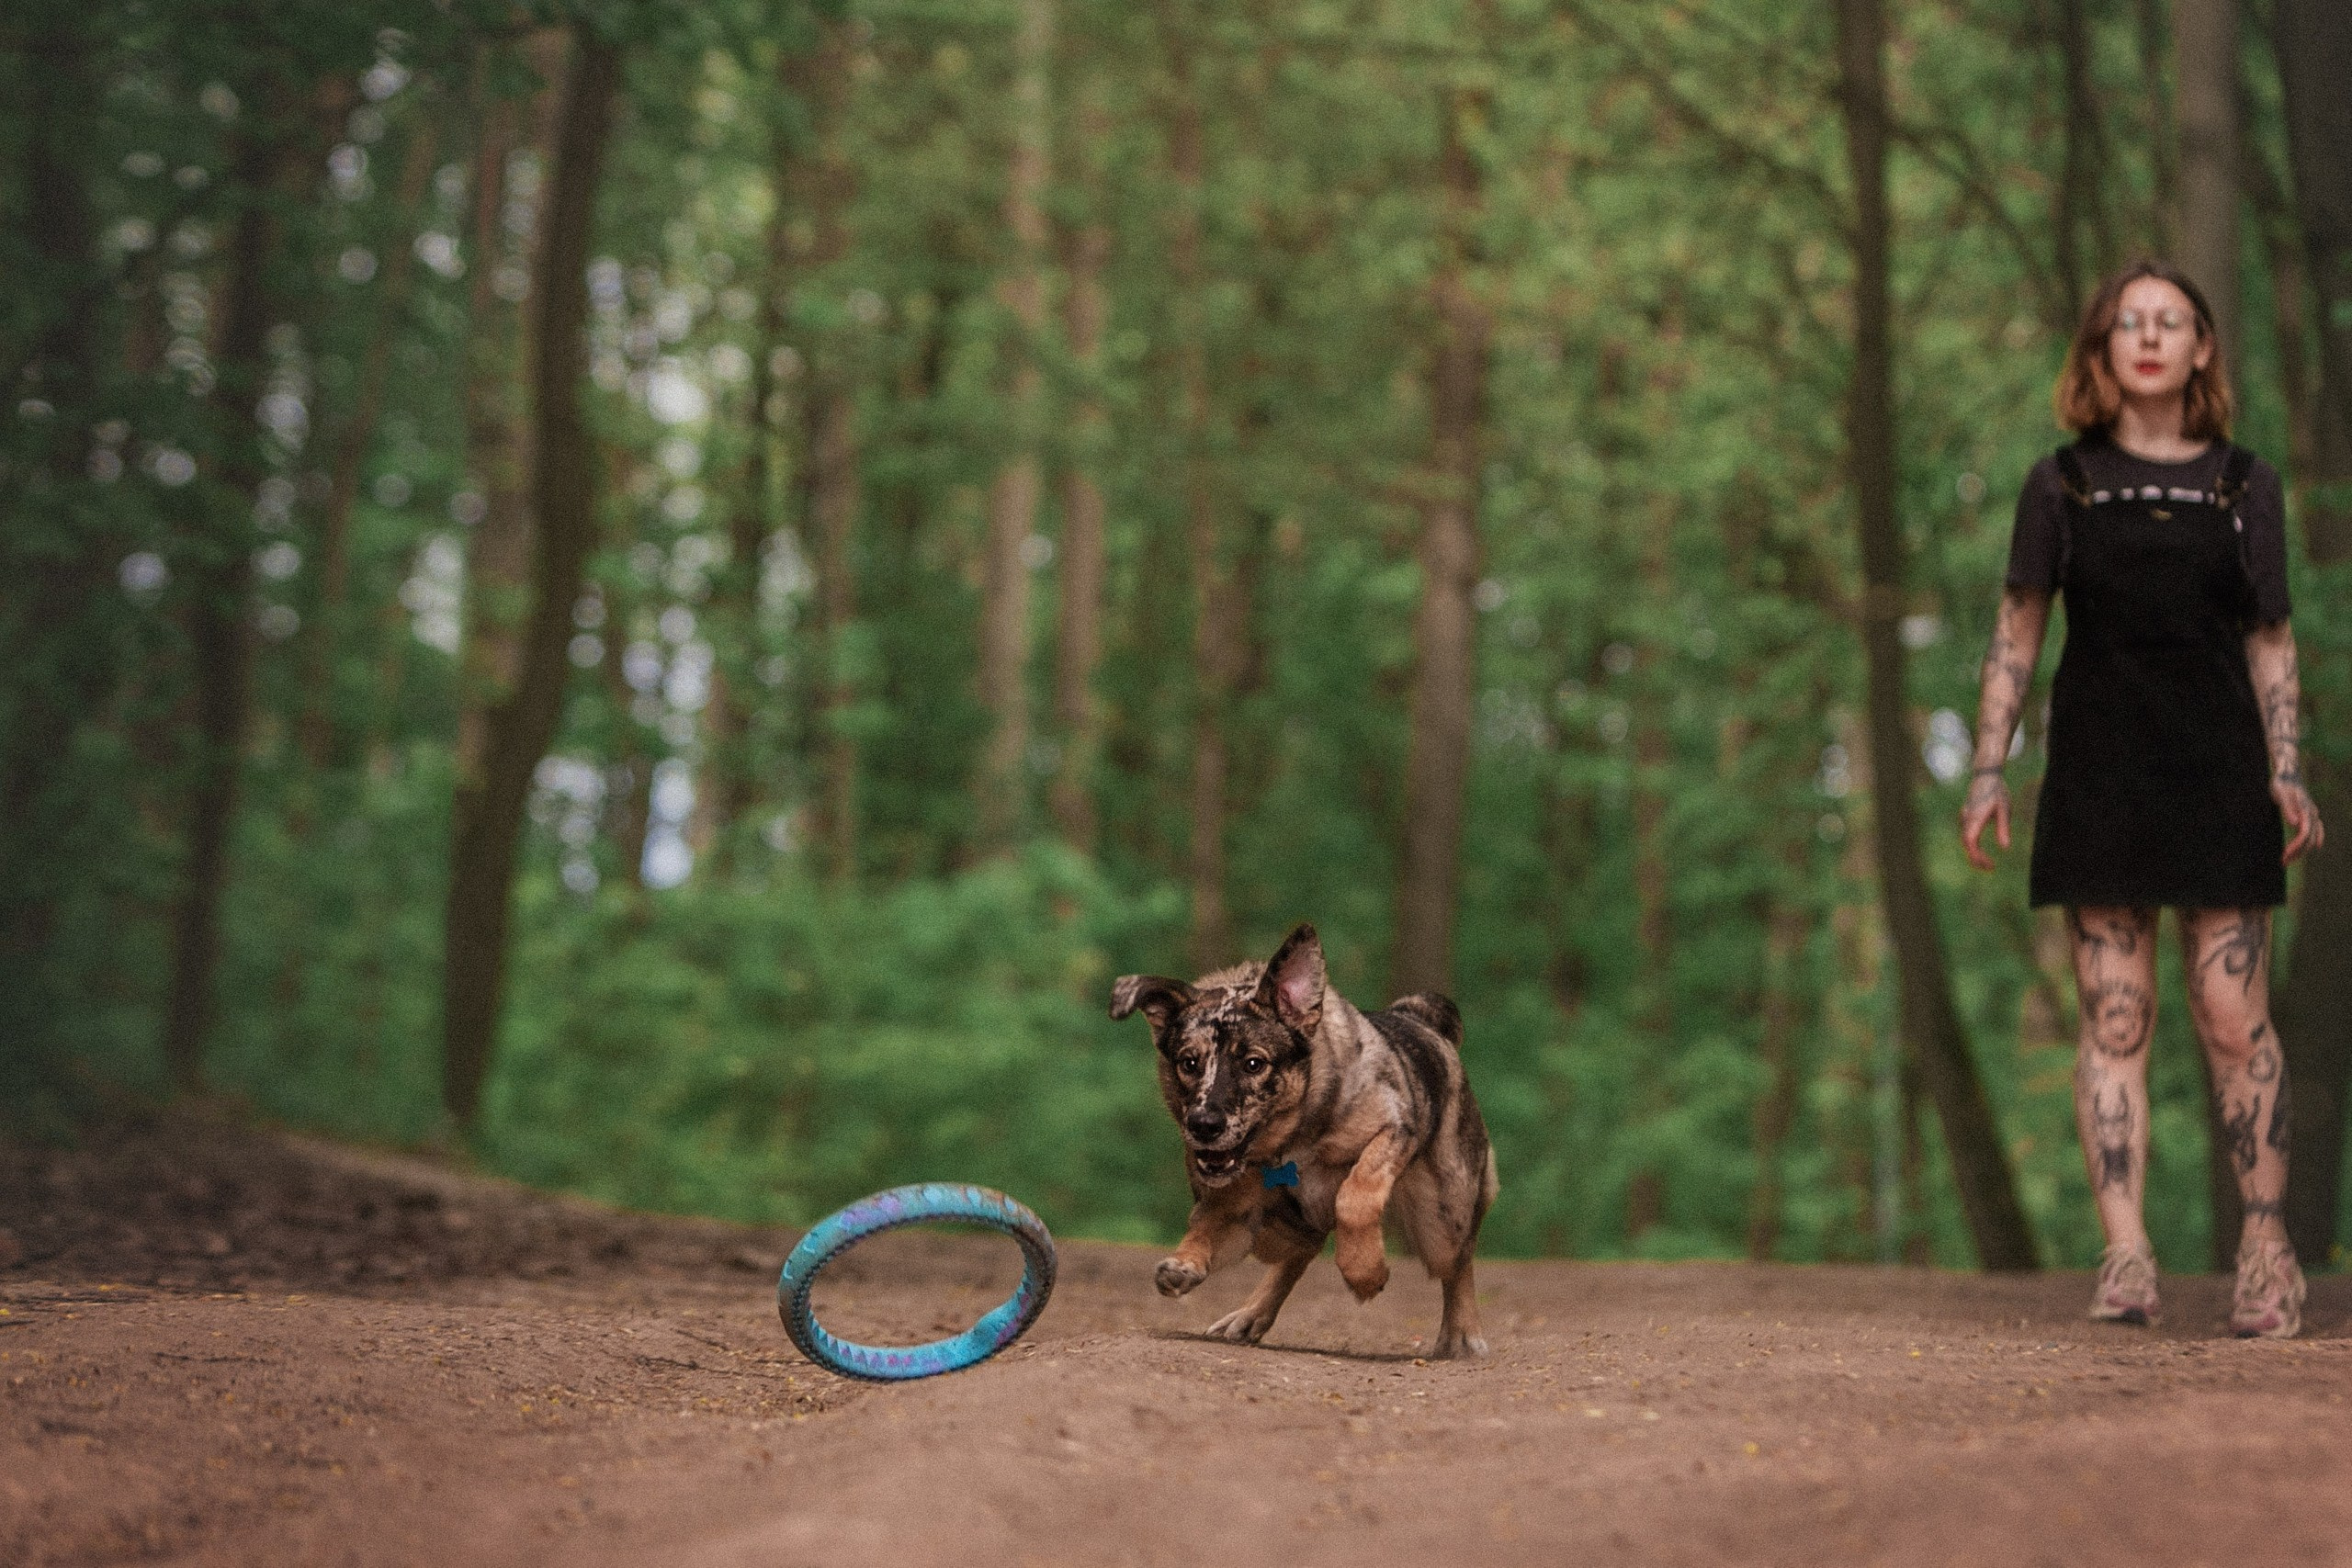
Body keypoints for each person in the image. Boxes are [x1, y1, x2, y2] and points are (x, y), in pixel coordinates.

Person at [1961, 259, 2324, 1337]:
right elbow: (2016, 633)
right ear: (2102, 348)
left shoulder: (2243, 485)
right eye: (2131, 322)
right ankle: (2125, 1254)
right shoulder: (2060, 485)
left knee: (2230, 1014)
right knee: (2114, 1016)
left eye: (2172, 322)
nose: (2152, 337)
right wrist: (1988, 765)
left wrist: (2287, 762)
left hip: (2217, 769)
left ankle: (2266, 1248)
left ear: (2203, 347)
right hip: (2099, 772)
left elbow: (2271, 637)